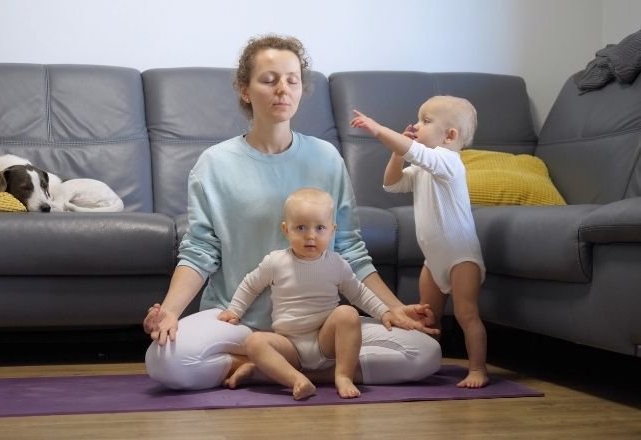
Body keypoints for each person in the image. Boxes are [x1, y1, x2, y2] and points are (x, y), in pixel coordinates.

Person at [143, 34, 442, 391]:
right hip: (238, 322)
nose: (282, 89)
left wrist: (394, 309)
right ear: (245, 89)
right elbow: (199, 252)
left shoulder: (327, 158)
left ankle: (265, 368)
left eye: (292, 80)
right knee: (163, 360)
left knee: (425, 352)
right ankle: (268, 358)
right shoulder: (214, 164)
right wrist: (171, 313)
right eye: (269, 80)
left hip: (319, 329)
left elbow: (350, 249)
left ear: (301, 89)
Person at [350, 96, 488, 388]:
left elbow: (414, 151)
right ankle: (430, 361)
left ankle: (477, 369)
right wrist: (397, 154)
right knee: (428, 314)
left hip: (462, 258)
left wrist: (378, 129)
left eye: (426, 121)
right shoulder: (426, 168)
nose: (416, 125)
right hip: (433, 261)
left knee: (466, 314)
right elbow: (392, 183)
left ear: (450, 136)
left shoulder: (448, 162)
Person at [218, 188, 393, 400]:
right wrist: (235, 310)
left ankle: (344, 375)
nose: (310, 236)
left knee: (347, 313)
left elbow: (359, 294)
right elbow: (250, 284)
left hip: (325, 341)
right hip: (289, 345)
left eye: (320, 228)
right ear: (286, 229)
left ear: (332, 230)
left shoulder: (337, 264)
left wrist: (384, 312)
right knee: (254, 342)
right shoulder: (276, 262)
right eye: (300, 227)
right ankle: (297, 380)